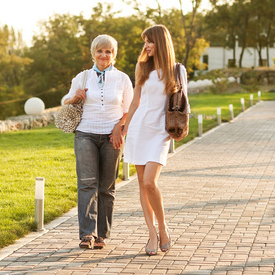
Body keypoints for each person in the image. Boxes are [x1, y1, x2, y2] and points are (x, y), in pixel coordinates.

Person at [122, 25, 190, 255]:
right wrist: (124, 128)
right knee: (142, 183)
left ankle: (163, 227)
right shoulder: (142, 67)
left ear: (160, 42)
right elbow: (135, 102)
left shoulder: (177, 70)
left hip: (160, 131)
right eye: (145, 42)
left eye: (150, 41)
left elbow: (184, 103)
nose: (146, 46)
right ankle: (152, 233)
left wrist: (182, 127)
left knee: (150, 182)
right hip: (140, 128)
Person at [64, 34, 133, 249]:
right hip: (85, 133)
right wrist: (75, 97)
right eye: (100, 51)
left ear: (114, 55)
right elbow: (66, 101)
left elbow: (130, 110)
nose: (104, 55)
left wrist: (118, 128)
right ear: (93, 53)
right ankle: (87, 234)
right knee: (87, 184)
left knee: (106, 186)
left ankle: (102, 234)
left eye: (108, 51)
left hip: (112, 136)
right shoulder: (82, 76)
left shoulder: (122, 79)